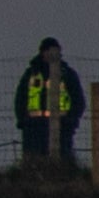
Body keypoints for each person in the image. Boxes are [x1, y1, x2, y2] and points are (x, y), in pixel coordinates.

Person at [14, 38, 84, 170]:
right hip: (33, 127)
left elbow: (78, 101)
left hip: (62, 127)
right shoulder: (31, 74)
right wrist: (22, 121)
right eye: (48, 51)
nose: (51, 55)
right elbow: (20, 98)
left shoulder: (67, 74)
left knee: (62, 163)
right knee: (32, 164)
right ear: (42, 52)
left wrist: (71, 121)